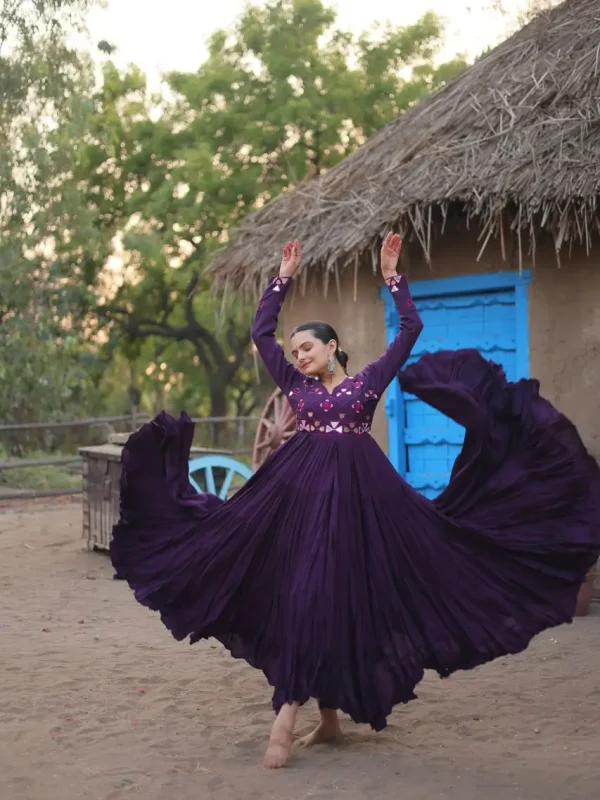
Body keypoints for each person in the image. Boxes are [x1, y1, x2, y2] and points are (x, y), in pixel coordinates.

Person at [111, 234, 600, 770]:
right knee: (305, 591)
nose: (299, 356)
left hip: (361, 502)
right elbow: (259, 332)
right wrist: (282, 278)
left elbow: (410, 330)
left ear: (332, 345)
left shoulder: (367, 383)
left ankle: (317, 717)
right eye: (294, 351)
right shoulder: (297, 390)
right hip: (296, 500)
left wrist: (393, 276)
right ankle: (298, 715)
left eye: (307, 348)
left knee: (336, 594)